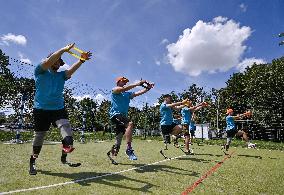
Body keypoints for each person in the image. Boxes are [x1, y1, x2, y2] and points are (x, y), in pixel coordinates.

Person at [29, 43, 92, 175]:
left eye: (59, 62)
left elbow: (71, 71)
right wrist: (63, 50)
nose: (58, 64)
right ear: (51, 59)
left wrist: (81, 60)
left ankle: (64, 156)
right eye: (56, 61)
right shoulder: (40, 71)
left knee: (66, 130)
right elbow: (48, 61)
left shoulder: (61, 75)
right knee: (39, 136)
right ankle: (33, 161)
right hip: (41, 109)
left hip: (58, 108)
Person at [108, 77, 154, 161]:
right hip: (115, 115)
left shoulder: (127, 94)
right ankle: (129, 149)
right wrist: (137, 83)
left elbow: (138, 93)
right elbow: (123, 88)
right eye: (123, 81)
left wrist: (148, 88)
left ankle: (113, 152)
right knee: (130, 124)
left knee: (119, 138)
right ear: (118, 82)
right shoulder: (114, 90)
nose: (125, 83)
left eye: (126, 82)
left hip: (122, 117)